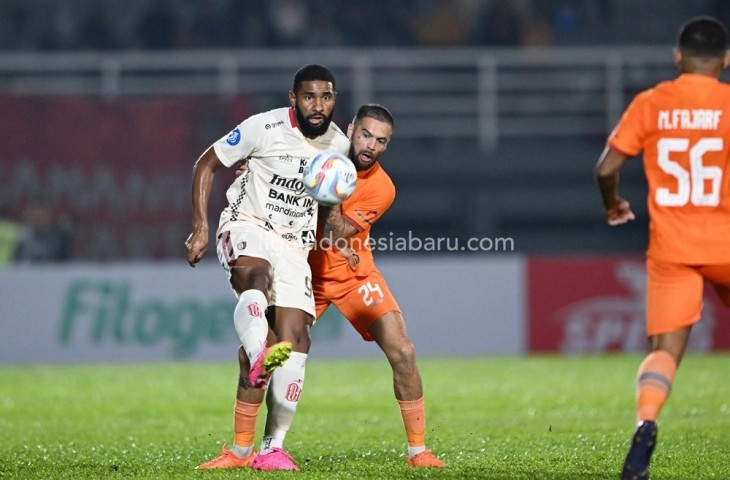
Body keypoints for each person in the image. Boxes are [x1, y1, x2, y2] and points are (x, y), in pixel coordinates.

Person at [186, 64, 350, 471]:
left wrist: (342, 232)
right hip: (249, 224)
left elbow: (328, 209)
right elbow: (206, 163)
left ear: (334, 100)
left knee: (296, 340)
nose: (318, 105)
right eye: (309, 96)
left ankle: (267, 450)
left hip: (295, 246)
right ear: (293, 98)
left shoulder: (339, 145)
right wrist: (200, 229)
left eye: (326, 97)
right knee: (255, 278)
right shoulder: (264, 127)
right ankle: (262, 353)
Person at [594, 16, 730, 480]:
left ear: (678, 57)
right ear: (726, 59)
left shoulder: (652, 103)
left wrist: (613, 204)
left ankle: (646, 423)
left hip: (672, 246)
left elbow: (606, 167)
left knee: (664, 351)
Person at [309, 104, 446, 468]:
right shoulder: (315, 149)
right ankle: (244, 448)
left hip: (355, 276)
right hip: (304, 274)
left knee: (403, 351)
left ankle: (419, 451)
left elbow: (336, 232)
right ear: (351, 128)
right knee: (267, 355)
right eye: (366, 134)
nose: (371, 145)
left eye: (381, 141)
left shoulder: (382, 188)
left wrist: (331, 187)